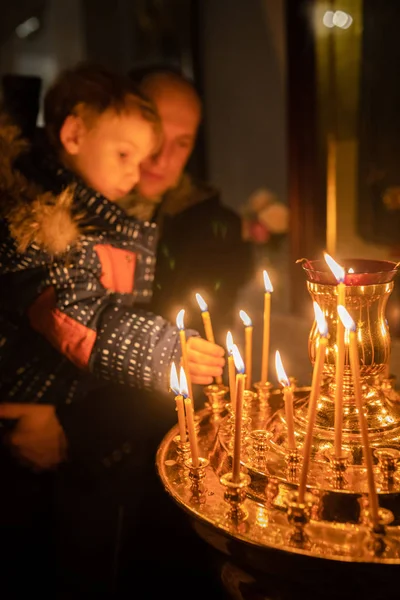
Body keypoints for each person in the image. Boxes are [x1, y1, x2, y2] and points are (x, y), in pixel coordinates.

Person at [0, 62, 226, 598]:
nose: (150, 163)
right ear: (76, 135)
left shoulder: (204, 227)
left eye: (180, 144)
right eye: (131, 150)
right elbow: (77, 317)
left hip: (117, 460)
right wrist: (166, 349)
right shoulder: (48, 221)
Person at [119, 65, 255, 350]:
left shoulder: (215, 230)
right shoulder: (69, 209)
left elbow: (205, 343)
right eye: (155, 134)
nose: (161, 159)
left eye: (181, 143)